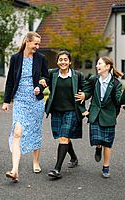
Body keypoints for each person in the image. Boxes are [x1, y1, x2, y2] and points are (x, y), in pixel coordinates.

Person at [2, 32, 49, 182]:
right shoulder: (16, 58)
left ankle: (35, 161)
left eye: (38, 44)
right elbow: (10, 80)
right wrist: (6, 100)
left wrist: (40, 87)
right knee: (17, 132)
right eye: (35, 43)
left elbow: (46, 77)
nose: (37, 46)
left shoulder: (40, 58)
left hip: (35, 101)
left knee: (35, 130)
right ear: (27, 42)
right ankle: (15, 170)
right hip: (20, 100)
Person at [75, 56, 125, 178]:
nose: (97, 66)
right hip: (95, 114)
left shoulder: (116, 83)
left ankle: (106, 166)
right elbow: (88, 91)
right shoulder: (94, 79)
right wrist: (84, 95)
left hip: (108, 116)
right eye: (97, 63)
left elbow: (119, 101)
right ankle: (98, 147)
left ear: (107, 66)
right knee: (97, 140)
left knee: (108, 143)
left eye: (99, 63)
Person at [40, 50, 88, 179]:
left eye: (65, 59)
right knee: (64, 137)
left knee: (63, 137)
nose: (63, 62)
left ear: (70, 61)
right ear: (57, 62)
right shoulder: (52, 74)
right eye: (60, 59)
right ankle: (73, 157)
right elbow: (42, 77)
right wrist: (42, 81)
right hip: (56, 111)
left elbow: (87, 88)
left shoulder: (77, 75)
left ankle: (57, 169)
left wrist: (85, 95)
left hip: (71, 111)